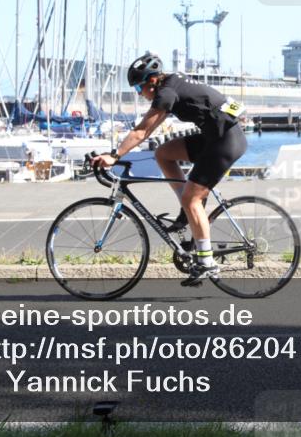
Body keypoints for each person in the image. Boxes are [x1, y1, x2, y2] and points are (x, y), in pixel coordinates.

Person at [90, 52, 247, 286]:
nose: (139, 94)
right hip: (215, 136)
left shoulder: (167, 93)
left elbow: (142, 131)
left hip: (225, 141)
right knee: (163, 153)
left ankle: (206, 262)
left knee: (192, 199)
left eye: (138, 88)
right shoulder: (170, 85)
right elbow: (150, 128)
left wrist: (114, 156)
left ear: (152, 81)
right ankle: (187, 209)